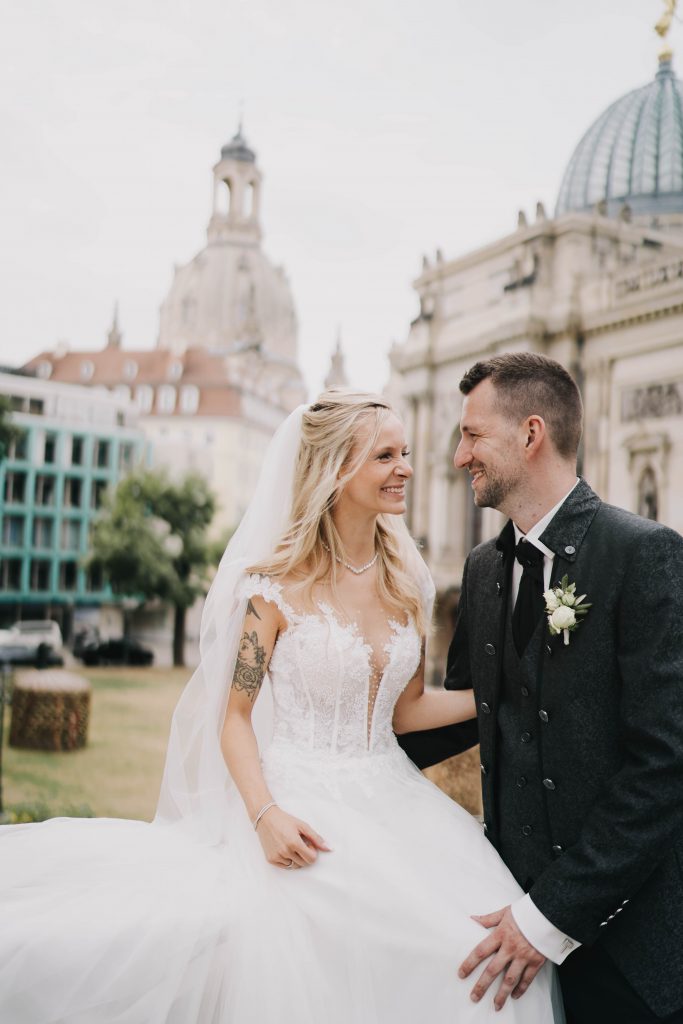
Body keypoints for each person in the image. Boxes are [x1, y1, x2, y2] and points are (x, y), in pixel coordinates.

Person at [0, 389, 558, 1023]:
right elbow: (234, 718)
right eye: (385, 456)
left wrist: (505, 694)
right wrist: (265, 815)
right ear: (336, 470)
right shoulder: (275, 586)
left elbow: (405, 712)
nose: (405, 468)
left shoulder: (409, 579)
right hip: (297, 803)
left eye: (404, 453)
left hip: (397, 800)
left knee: (479, 951)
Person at [399, 354, 683, 1023]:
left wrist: (548, 917)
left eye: (472, 435)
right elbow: (467, 717)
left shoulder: (645, 555)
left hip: (628, 955)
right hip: (507, 938)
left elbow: (664, 766)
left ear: (530, 435)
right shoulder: (482, 570)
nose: (458, 456)